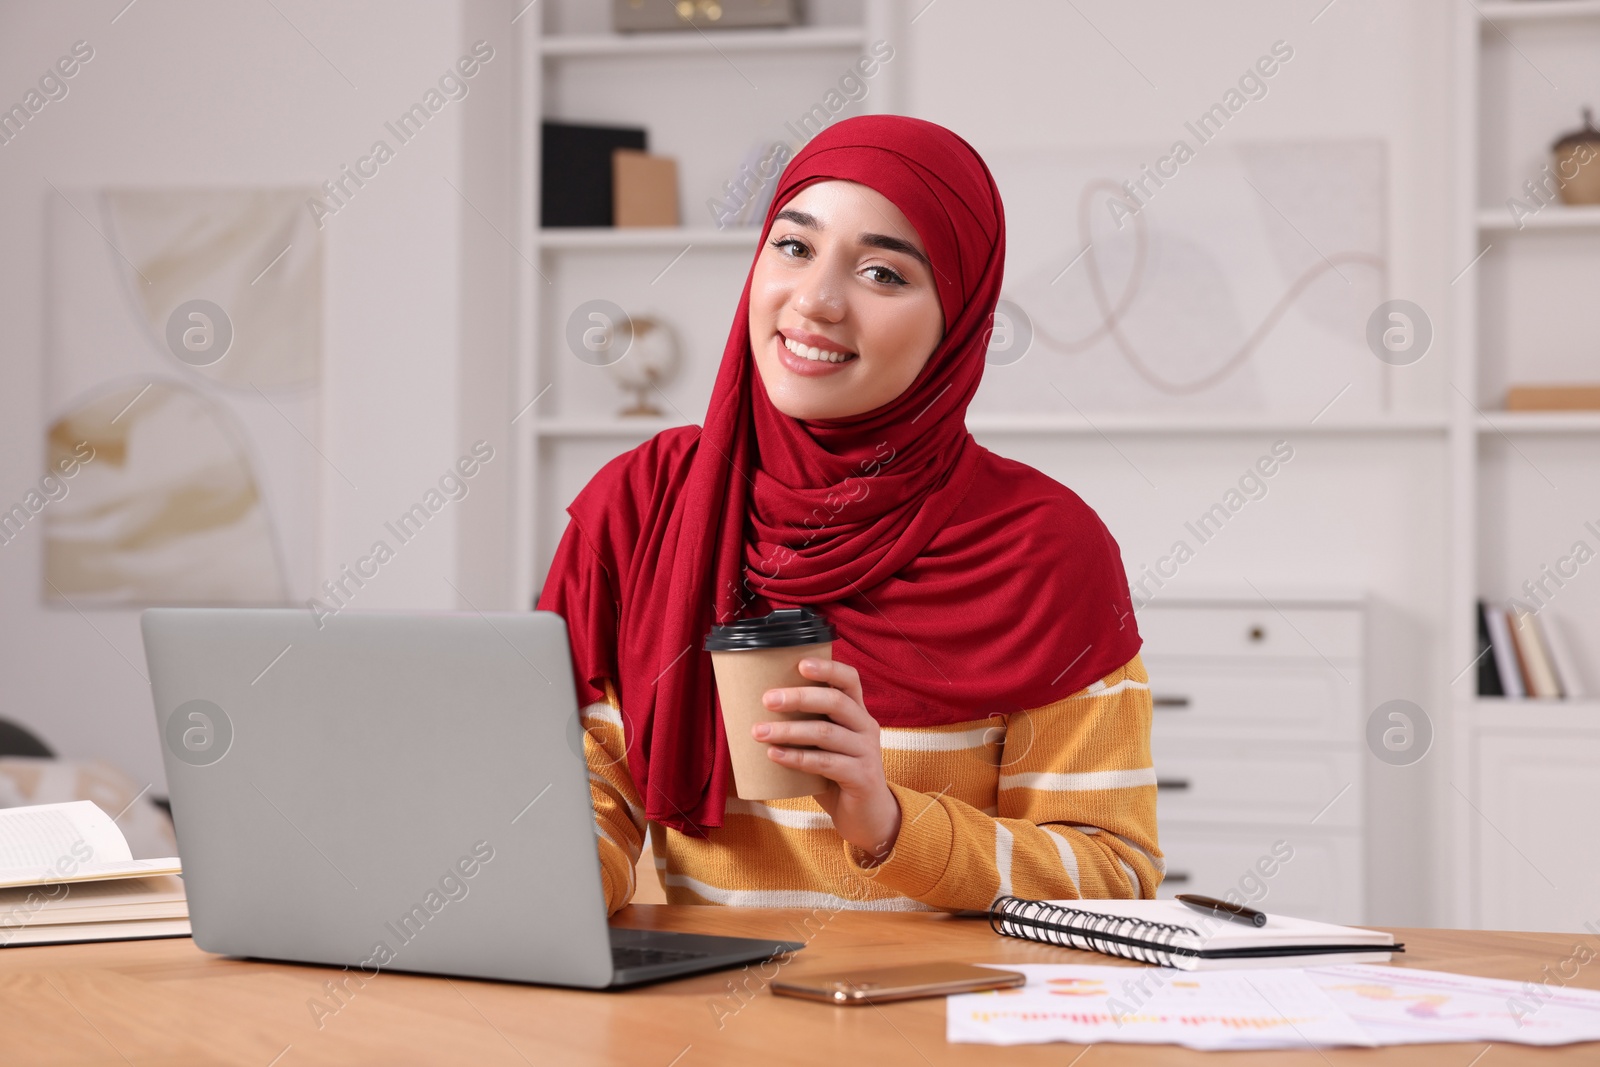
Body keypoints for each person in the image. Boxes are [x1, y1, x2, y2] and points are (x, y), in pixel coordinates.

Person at [537, 114, 1162, 915]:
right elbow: (580, 791)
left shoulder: (1045, 547)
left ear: (959, 322)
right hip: (708, 1026)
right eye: (793, 247)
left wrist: (892, 822)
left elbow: (1113, 871)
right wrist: (533, 888)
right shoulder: (645, 505)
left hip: (943, 1026)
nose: (818, 301)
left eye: (883, 274)